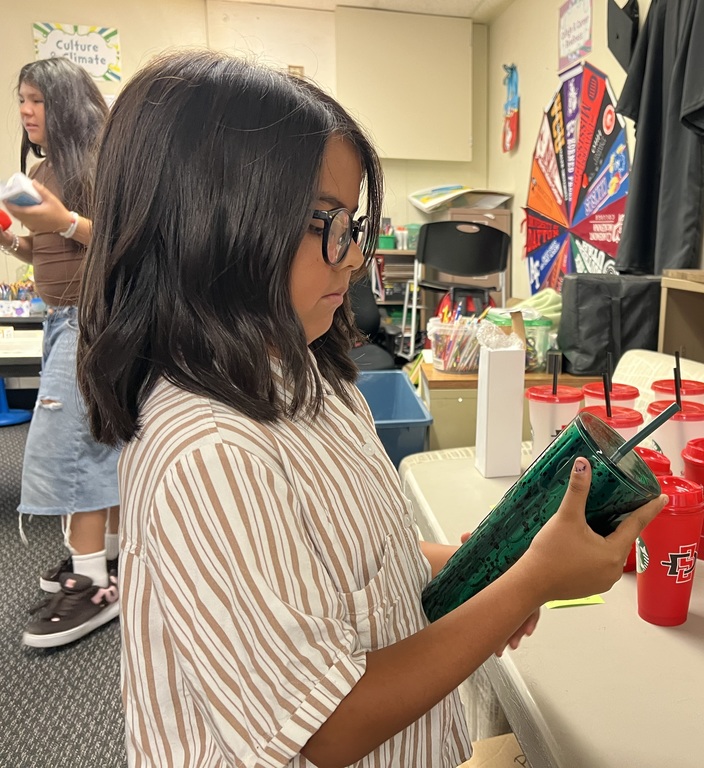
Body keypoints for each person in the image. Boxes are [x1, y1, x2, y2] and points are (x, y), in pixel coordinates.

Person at [77, 50, 665, 767]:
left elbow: (350, 563)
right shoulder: (210, 454)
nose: (353, 260)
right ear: (213, 228)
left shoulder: (310, 379)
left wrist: (486, 569)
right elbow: (328, 727)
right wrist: (530, 585)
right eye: (328, 224)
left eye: (352, 225)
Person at [0, 57, 121, 648]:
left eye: (36, 100)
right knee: (99, 444)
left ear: (66, 104)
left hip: (92, 321)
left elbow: (125, 242)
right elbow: (46, 254)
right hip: (62, 319)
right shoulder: (46, 169)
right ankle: (112, 559)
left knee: (71, 448)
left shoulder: (99, 165)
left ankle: (92, 583)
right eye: (21, 100)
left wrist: (66, 220)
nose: (24, 112)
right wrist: (12, 238)